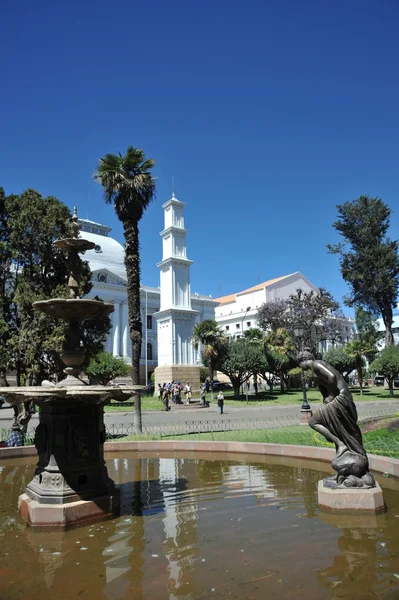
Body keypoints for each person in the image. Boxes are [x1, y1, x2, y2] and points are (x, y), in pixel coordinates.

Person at [299, 350, 375, 488]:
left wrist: (331, 396)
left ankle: (341, 444)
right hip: (339, 401)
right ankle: (343, 473)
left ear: (303, 360)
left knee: (313, 422)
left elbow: (332, 377)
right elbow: (325, 389)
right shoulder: (315, 372)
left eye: (300, 364)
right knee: (337, 429)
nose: (300, 368)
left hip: (340, 399)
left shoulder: (316, 364)